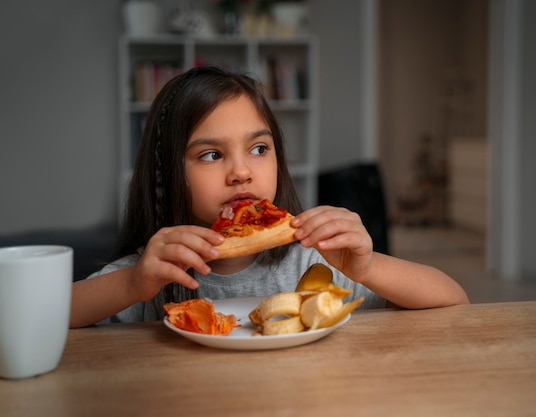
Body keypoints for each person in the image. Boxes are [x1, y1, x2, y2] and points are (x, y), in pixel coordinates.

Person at [70, 66, 468, 328]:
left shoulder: (315, 262)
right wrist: (131, 285)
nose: (242, 171)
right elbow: (32, 320)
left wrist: (367, 269)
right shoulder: (155, 271)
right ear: (167, 174)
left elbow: (454, 300)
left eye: (259, 149)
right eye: (211, 154)